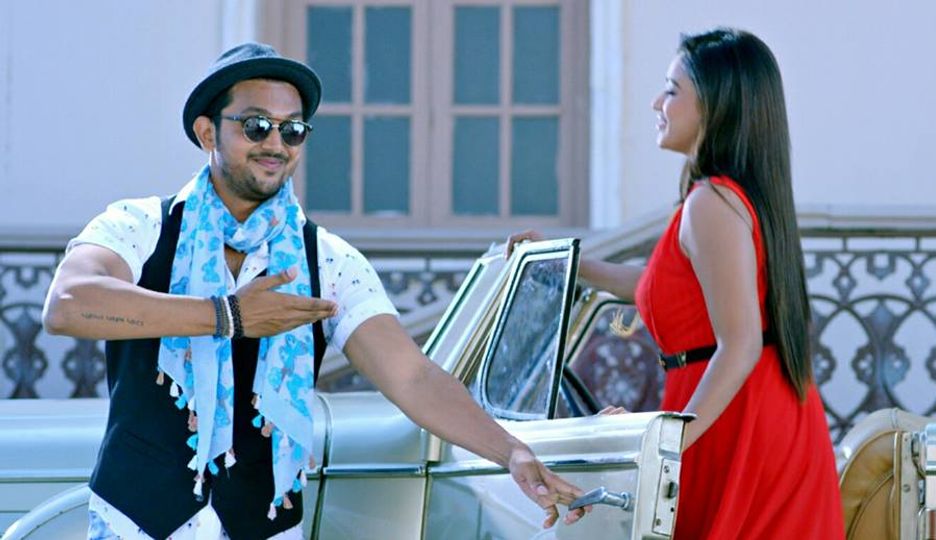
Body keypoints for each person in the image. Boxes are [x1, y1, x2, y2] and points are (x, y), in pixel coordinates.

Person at [43, 42, 585, 540]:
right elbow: (68, 304)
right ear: (208, 133)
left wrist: (511, 452)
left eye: (293, 130)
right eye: (256, 125)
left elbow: (411, 375)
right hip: (136, 524)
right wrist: (226, 315)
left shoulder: (326, 258)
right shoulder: (141, 225)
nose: (275, 144)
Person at [508, 28, 844, 538]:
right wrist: (565, 263)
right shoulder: (720, 198)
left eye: (671, 90)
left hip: (736, 416)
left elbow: (740, 345)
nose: (656, 103)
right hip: (738, 407)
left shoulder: (712, 202)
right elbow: (663, 290)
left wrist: (665, 444)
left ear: (716, 105)